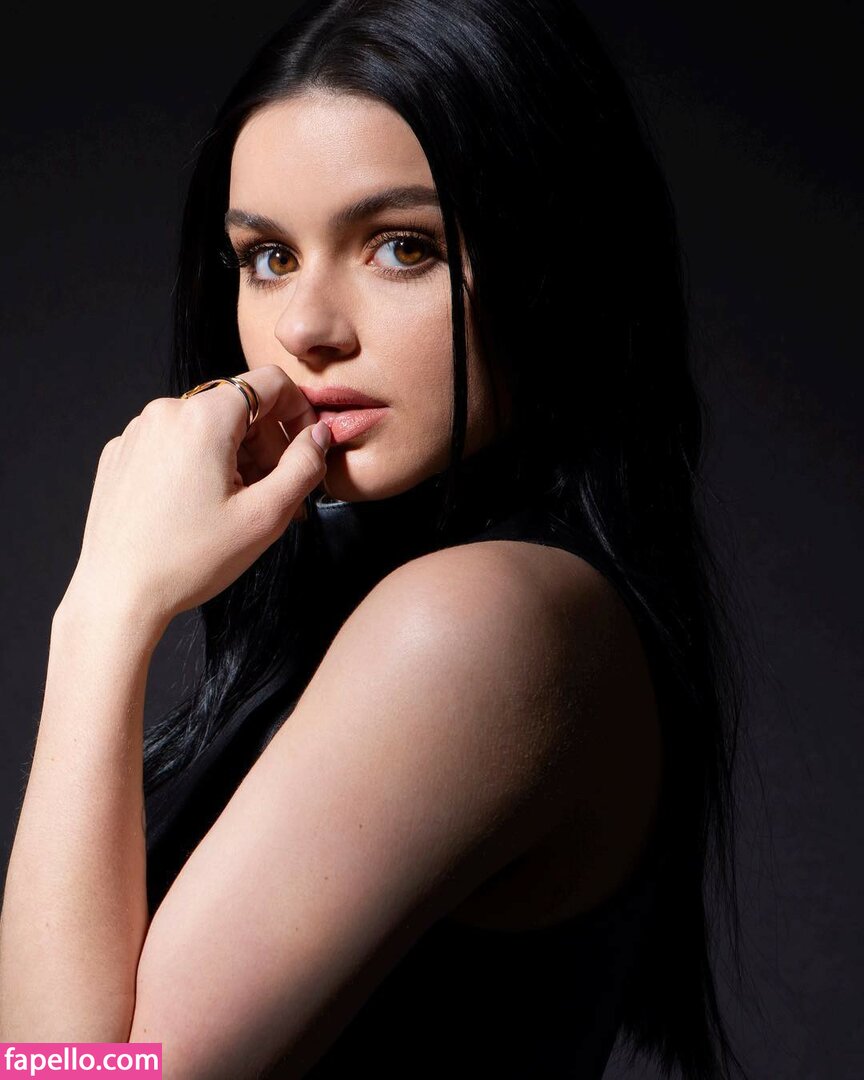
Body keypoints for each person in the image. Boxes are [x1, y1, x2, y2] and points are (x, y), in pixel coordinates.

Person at [0, 0, 754, 1076]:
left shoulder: (478, 622)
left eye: (403, 247)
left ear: (558, 258)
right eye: (267, 256)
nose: (306, 326)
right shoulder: (448, 601)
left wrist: (104, 612)